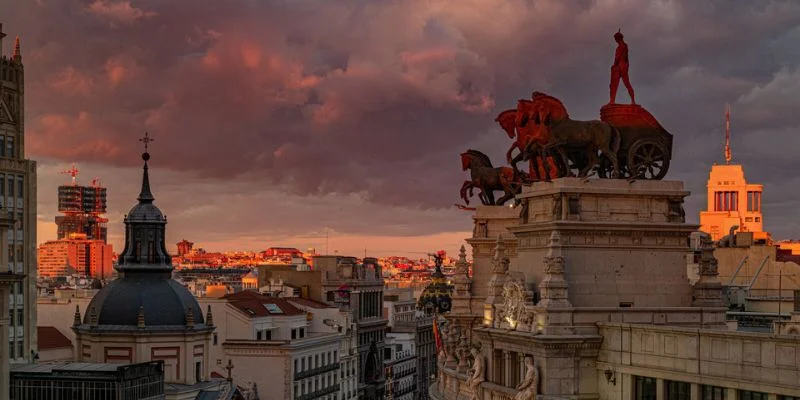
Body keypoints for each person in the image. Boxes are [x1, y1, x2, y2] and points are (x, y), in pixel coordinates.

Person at [610, 29, 635, 104]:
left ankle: (612, 101)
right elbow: (626, 59)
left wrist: (614, 65)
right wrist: (626, 66)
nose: (615, 40)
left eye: (615, 39)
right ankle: (633, 101)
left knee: (614, 85)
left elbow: (617, 58)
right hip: (624, 66)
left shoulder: (620, 47)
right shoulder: (625, 46)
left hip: (619, 67)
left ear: (618, 38)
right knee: (627, 84)